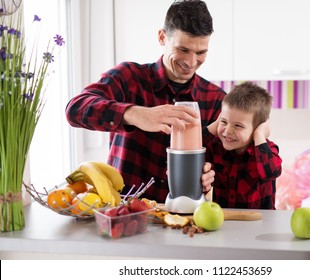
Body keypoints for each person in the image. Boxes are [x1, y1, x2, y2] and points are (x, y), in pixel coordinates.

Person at [65, 0, 226, 202]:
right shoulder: (128, 77)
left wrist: (209, 174)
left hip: (185, 219)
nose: (191, 62)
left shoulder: (216, 99)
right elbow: (75, 109)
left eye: (201, 53)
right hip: (124, 212)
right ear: (162, 37)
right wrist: (134, 114)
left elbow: (221, 163)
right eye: (183, 50)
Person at [203, 81, 282, 209]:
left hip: (260, 224)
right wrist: (214, 126)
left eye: (238, 125)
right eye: (224, 121)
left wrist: (259, 135)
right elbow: (190, 149)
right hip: (224, 220)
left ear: (257, 128)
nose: (227, 130)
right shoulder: (216, 147)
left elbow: (271, 172)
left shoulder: (266, 150)